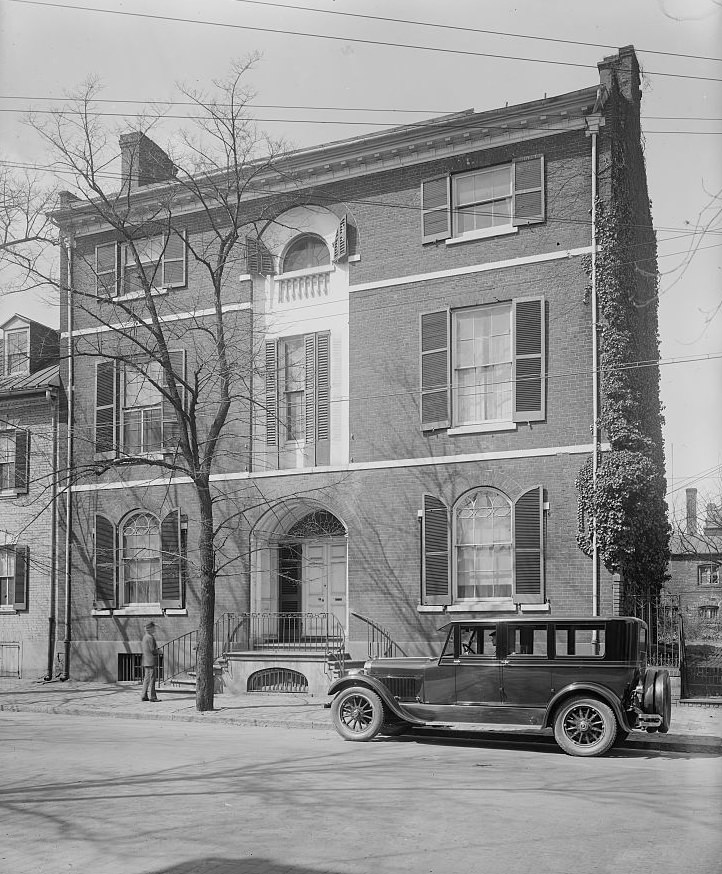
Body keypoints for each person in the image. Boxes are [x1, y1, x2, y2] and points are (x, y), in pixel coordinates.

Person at [140, 621, 159, 702]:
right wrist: (158, 652)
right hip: (151, 660)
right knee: (152, 679)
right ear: (150, 628)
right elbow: (152, 649)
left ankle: (144, 695)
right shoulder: (150, 637)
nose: (154, 629)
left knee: (146, 679)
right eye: (153, 628)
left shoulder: (145, 637)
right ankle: (152, 697)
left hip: (146, 660)